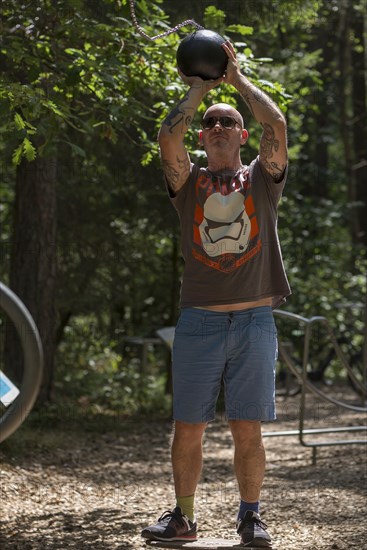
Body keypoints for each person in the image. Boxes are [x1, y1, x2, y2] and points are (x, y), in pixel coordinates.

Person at [141, 40, 290, 548]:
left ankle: (250, 517)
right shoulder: (190, 183)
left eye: (228, 122)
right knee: (189, 427)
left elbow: (278, 129)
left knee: (248, 428)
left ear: (242, 134)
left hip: (254, 321)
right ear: (203, 136)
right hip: (199, 321)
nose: (220, 127)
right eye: (211, 123)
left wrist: (238, 81)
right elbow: (167, 138)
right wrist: (197, 90)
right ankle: (183, 517)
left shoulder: (262, 180)